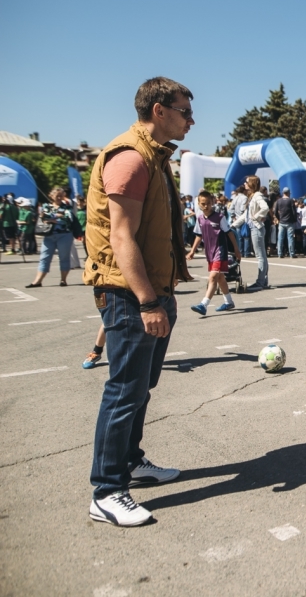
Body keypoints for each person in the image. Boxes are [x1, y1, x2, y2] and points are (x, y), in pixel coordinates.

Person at [83, 76, 194, 526]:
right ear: (159, 110)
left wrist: (162, 296)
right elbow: (121, 236)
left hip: (154, 291)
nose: (191, 119)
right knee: (124, 391)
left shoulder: (156, 156)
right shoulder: (130, 158)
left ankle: (130, 461)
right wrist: (148, 302)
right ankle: (107, 490)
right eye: (185, 111)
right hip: (130, 294)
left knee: (140, 387)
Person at [187, 190, 241, 315]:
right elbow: (199, 236)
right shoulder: (200, 219)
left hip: (220, 251)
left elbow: (229, 233)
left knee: (212, 277)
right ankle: (229, 302)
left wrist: (236, 250)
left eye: (208, 203)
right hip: (209, 252)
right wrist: (192, 251)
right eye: (203, 204)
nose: (206, 206)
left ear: (212, 203)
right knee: (220, 277)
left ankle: (203, 305)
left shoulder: (219, 217)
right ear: (199, 204)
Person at [26, 188, 78, 288]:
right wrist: (55, 216)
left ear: (63, 196)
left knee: (64, 257)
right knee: (44, 258)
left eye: (60, 195)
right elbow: (42, 217)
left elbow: (68, 217)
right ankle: (37, 281)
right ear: (51, 196)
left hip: (64, 234)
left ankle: (63, 280)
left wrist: (51, 217)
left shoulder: (67, 206)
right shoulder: (46, 206)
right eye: (56, 195)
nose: (58, 197)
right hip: (48, 235)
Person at [239, 176, 269, 289]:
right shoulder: (252, 196)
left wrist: (256, 217)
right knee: (262, 256)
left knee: (260, 256)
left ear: (251, 184)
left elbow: (265, 208)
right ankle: (263, 281)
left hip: (256, 228)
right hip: (256, 228)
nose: (244, 184)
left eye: (246, 182)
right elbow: (245, 215)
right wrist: (233, 225)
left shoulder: (257, 196)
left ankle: (260, 282)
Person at [273, 187, 297, 259]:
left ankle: (280, 253)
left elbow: (275, 211)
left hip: (281, 222)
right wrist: (294, 219)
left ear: (283, 193)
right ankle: (291, 253)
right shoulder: (291, 201)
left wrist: (279, 218)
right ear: (289, 193)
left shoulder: (278, 201)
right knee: (290, 238)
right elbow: (294, 212)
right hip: (290, 222)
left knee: (280, 238)